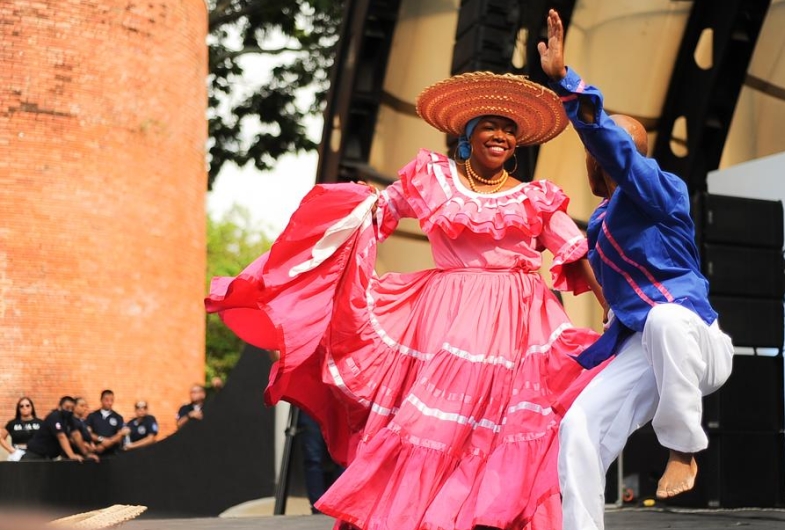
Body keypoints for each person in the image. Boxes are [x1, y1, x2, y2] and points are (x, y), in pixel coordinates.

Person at [206, 71, 608, 530]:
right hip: (443, 319)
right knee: (429, 427)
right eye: (491, 124)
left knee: (504, 431)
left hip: (516, 323)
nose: (501, 135)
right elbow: (377, 214)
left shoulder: (534, 198)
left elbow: (576, 250)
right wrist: (328, 242)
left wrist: (610, 304)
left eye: (510, 128)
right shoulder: (434, 179)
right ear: (468, 131)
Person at [538, 9, 735, 530]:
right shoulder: (600, 225)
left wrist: (567, 85)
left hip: (698, 343)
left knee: (665, 319)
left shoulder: (660, 192)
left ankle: (683, 448)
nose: (592, 161)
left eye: (602, 152)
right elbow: (609, 292)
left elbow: (620, 156)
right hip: (645, 350)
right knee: (579, 425)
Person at [23, 396, 98, 462]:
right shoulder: (54, 416)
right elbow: (61, 436)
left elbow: (76, 435)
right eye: (67, 408)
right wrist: (71, 455)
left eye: (71, 408)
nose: (69, 410)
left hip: (48, 457)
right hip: (35, 455)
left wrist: (86, 454)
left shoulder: (70, 419)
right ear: (59, 407)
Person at [85, 389, 129, 456]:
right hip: (96, 452)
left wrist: (105, 445)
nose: (109, 403)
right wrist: (101, 440)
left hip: (113, 454)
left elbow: (120, 435)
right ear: (101, 400)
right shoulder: (92, 416)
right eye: (107, 400)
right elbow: (88, 433)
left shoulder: (118, 417)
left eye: (111, 400)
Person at [1, 397, 42, 461]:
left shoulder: (40, 423)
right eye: (21, 406)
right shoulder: (12, 423)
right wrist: (11, 450)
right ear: (18, 409)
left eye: (27, 405)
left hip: (36, 454)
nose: (24, 408)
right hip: (18, 454)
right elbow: (1, 437)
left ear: (32, 407)